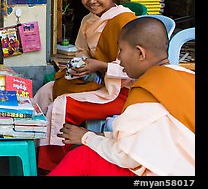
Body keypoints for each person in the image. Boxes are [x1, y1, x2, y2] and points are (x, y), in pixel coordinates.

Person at [49, 16, 195, 176]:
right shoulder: (187, 76)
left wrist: (87, 137)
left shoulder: (145, 91)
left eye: (121, 50)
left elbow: (126, 156)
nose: (119, 58)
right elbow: (155, 137)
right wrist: (101, 135)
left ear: (140, 53)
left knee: (82, 157)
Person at [33, 0, 136, 172]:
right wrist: (79, 67)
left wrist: (100, 66)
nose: (92, 1)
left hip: (121, 90)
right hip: (97, 81)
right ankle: (33, 152)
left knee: (63, 104)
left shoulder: (125, 21)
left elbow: (135, 68)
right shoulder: (87, 20)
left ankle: (54, 164)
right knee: (45, 92)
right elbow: (82, 52)